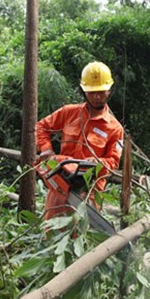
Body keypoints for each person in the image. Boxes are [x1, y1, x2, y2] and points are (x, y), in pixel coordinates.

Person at [36, 61, 124, 220]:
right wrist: (46, 149)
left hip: (90, 190)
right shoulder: (69, 113)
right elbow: (41, 126)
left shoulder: (115, 128)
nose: (97, 97)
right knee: (51, 230)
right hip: (61, 183)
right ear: (84, 91)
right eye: (92, 92)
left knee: (83, 234)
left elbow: (113, 162)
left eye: (101, 92)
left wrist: (95, 164)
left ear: (109, 91)